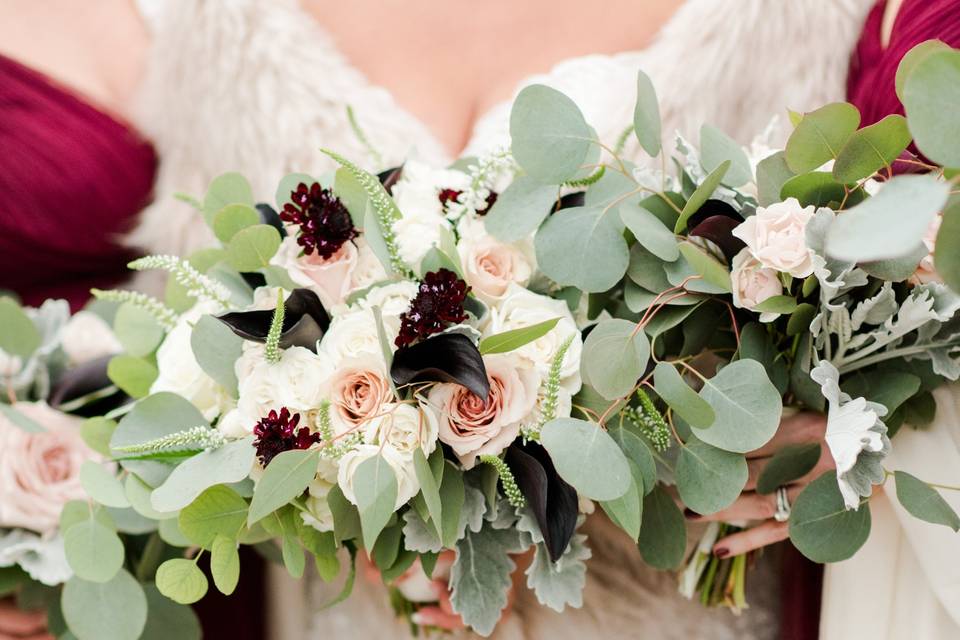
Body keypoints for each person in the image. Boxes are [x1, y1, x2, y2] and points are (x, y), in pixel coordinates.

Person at [133, 1, 876, 638]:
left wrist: (852, 428)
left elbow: (871, 298)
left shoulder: (787, 20)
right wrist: (351, 500)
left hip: (671, 606)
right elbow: (215, 357)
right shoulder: (219, 28)